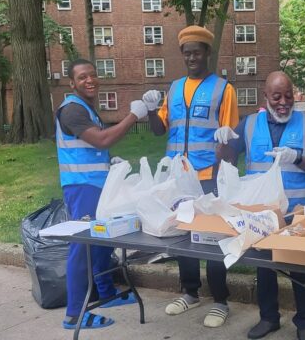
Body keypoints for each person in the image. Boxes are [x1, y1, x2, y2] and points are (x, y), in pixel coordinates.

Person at [214, 71, 305, 340]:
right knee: (264, 268)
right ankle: (268, 318)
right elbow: (228, 158)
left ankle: (304, 323)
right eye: (277, 96)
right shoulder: (249, 124)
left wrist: (297, 157)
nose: (283, 102)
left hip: (297, 212)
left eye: (288, 96)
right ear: (266, 97)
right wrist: (222, 140)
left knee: (302, 268)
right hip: (261, 214)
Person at [142, 25, 239, 328]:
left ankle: (221, 300)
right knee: (182, 236)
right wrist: (148, 110)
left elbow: (231, 138)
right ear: (182, 55)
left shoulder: (224, 88)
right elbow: (160, 129)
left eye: (197, 52)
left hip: (208, 173)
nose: (192, 57)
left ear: (207, 52)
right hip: (177, 178)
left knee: (210, 238)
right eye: (187, 53)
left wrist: (226, 141)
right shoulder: (173, 88)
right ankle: (190, 292)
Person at [56, 58, 149, 330]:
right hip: (82, 187)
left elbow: (93, 147)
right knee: (83, 246)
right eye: (83, 77)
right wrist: (134, 115)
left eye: (93, 75)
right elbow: (102, 139)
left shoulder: (86, 109)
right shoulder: (71, 109)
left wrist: (109, 161)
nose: (90, 80)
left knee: (102, 240)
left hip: (97, 185)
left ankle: (106, 293)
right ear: (72, 83)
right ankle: (74, 315)